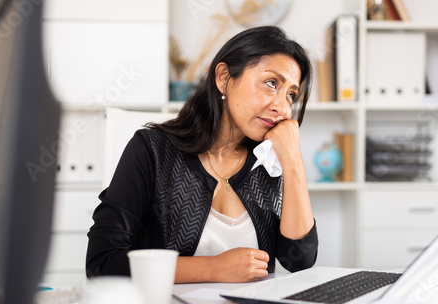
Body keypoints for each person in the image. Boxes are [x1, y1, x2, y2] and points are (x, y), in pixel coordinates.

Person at [86, 26, 318, 283]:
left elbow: (299, 261)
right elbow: (102, 262)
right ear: (223, 78)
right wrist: (213, 268)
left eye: (291, 95)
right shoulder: (151, 150)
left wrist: (293, 161)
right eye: (271, 83)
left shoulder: (267, 161)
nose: (282, 108)